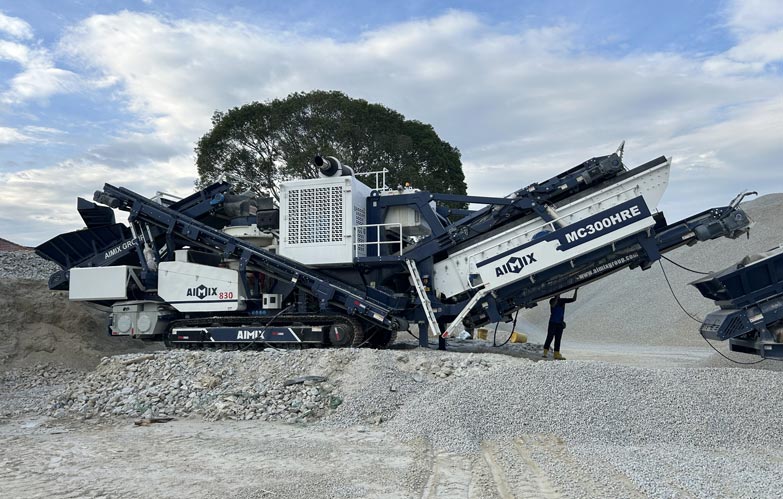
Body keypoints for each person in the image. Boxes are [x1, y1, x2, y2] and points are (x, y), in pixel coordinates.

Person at [543, 288, 578, 360]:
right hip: (552, 322)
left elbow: (573, 299)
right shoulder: (552, 300)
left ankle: (556, 354)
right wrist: (556, 297)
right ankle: (545, 352)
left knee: (558, 339)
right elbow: (553, 305)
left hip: (559, 323)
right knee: (550, 337)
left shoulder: (562, 301)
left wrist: (576, 290)